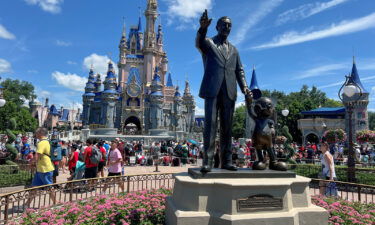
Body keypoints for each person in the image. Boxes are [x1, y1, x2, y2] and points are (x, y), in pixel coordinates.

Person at [196, 10, 251, 172]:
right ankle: (208, 161)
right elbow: (199, 43)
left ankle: (227, 161)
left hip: (229, 91)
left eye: (230, 25)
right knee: (210, 126)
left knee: (227, 127)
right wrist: (202, 28)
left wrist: (245, 88)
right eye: (224, 25)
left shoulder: (234, 50)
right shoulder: (209, 43)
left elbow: (239, 71)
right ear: (217, 27)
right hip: (212, 90)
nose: (227, 27)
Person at [25, 128, 56, 208]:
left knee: (49, 187)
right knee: (34, 187)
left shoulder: (42, 143)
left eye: (36, 133)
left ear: (40, 133)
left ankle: (56, 203)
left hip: (45, 168)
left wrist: (30, 162)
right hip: (41, 168)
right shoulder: (46, 142)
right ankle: (27, 204)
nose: (35, 134)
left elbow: (37, 155)